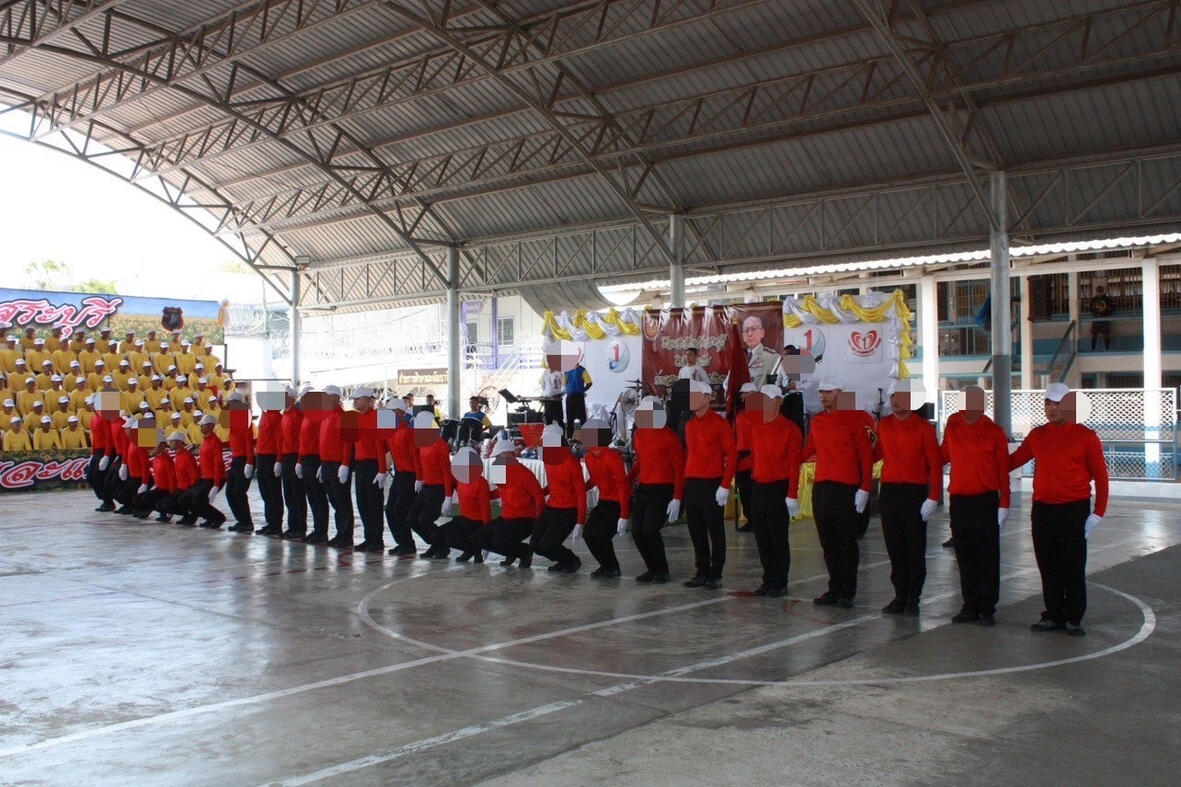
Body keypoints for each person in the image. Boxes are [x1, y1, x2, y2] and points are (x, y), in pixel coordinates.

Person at [1009, 383, 1109, 637]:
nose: (1052, 409)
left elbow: (1101, 477)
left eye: (1058, 404)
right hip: (1043, 510)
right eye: (1048, 404)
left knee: (1072, 566)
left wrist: (1098, 512)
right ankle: (1052, 614)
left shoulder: (1086, 437)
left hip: (1074, 511)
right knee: (1048, 565)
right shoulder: (1038, 435)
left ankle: (1073, 617)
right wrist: (980, 458)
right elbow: (1013, 461)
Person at [940, 386, 1010, 627]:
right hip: (959, 502)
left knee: (987, 557)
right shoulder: (953, 426)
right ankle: (969, 605)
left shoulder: (994, 432)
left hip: (985, 502)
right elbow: (942, 456)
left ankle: (987, 607)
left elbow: (1003, 470)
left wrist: (1005, 503)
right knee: (965, 556)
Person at [874, 379, 942, 615]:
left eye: (900, 397)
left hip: (914, 495)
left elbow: (935, 464)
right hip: (890, 493)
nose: (895, 401)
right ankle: (899, 595)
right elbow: (875, 454)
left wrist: (932, 498)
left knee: (914, 548)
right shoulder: (883, 425)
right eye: (892, 397)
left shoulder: (923, 428)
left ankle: (914, 597)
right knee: (895, 548)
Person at [803, 378, 873, 608]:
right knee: (828, 543)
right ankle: (834, 588)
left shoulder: (854, 420)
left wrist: (864, 488)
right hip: (822, 487)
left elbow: (866, 455)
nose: (823, 396)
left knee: (846, 543)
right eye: (821, 392)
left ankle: (848, 591)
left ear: (840, 394)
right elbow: (808, 450)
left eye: (828, 392)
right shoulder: (818, 422)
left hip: (846, 488)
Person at [747, 385, 803, 598]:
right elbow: (755, 458)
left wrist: (791, 493)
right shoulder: (756, 427)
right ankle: (768, 579)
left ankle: (780, 581)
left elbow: (792, 464)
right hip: (759, 488)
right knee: (762, 538)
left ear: (778, 401)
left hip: (778, 489)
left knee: (778, 538)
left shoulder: (790, 430)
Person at [681, 379, 737, 589]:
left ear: (707, 398)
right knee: (696, 529)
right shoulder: (689, 425)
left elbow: (731, 455)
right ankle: (701, 569)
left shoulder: (719, 423)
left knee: (715, 529)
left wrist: (724, 484)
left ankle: (716, 572)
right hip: (692, 482)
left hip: (711, 483)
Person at [628, 397, 685, 583]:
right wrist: (628, 479)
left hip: (663, 489)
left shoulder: (669, 436)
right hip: (644, 488)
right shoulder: (638, 435)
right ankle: (652, 568)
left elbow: (679, 469)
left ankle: (662, 570)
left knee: (650, 530)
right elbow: (642, 461)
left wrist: (677, 497)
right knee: (636, 530)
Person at [470, 439, 544, 567]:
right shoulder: (499, 470)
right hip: (505, 518)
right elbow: (501, 490)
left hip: (524, 519)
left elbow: (539, 497)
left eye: (498, 456)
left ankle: (524, 552)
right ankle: (512, 551)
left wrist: (539, 523)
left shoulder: (525, 473)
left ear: (508, 454)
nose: (496, 459)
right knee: (477, 537)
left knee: (499, 540)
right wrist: (484, 495)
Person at [579, 418, 632, 579]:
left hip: (616, 503)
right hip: (603, 501)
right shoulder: (588, 458)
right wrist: (581, 489)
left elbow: (623, 486)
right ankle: (606, 565)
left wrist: (624, 515)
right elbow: (596, 479)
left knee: (601, 534)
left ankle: (613, 566)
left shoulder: (612, 457)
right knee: (588, 534)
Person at [531, 423, 587, 573]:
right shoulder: (548, 459)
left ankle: (571, 560)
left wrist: (580, 521)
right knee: (535, 545)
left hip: (567, 511)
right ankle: (563, 560)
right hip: (551, 508)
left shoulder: (571, 462)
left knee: (547, 545)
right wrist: (539, 493)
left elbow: (581, 492)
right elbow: (553, 484)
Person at [426, 447, 490, 560]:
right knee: (436, 534)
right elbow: (448, 479)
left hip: (476, 522)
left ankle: (474, 550)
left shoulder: (481, 483)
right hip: (463, 519)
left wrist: (486, 533)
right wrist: (447, 499)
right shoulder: (459, 478)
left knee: (451, 538)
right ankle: (451, 549)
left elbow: (486, 509)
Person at [347, 387, 388, 553]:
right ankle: (368, 537)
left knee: (374, 504)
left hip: (372, 464)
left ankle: (377, 539)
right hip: (360, 465)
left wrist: (382, 470)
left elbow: (381, 446)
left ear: (366, 399)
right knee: (362, 503)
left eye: (358, 399)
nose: (355, 402)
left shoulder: (377, 417)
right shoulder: (355, 418)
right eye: (354, 399)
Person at [406, 411, 454, 550]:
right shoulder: (422, 443)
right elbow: (419, 463)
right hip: (426, 487)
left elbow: (446, 473)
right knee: (411, 519)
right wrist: (419, 479)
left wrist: (448, 497)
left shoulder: (440, 445)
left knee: (424, 520)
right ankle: (435, 543)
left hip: (438, 489)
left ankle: (441, 545)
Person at [383, 399, 420, 557]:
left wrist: (420, 477)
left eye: (391, 412)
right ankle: (402, 542)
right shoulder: (390, 432)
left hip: (410, 475)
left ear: (399, 412)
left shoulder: (408, 430)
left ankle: (408, 544)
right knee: (390, 510)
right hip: (399, 474)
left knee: (399, 510)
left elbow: (415, 455)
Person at [318, 385, 354, 548]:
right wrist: (322, 463)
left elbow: (348, 443)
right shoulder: (326, 416)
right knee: (334, 500)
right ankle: (340, 533)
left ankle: (346, 536)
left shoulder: (345, 417)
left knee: (342, 501)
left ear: (336, 397)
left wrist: (345, 464)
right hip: (327, 463)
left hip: (338, 464)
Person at [297, 388, 331, 543]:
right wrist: (299, 460)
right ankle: (317, 529)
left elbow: (322, 441)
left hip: (315, 459)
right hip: (306, 459)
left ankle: (321, 531)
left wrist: (322, 462)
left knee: (318, 497)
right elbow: (302, 441)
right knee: (312, 496)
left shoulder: (317, 418)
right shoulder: (306, 417)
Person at [224, 391, 256, 534]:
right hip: (237, 459)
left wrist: (249, 462)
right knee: (230, 492)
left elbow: (248, 442)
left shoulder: (243, 418)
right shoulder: (234, 419)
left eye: (230, 404)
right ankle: (242, 521)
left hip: (244, 459)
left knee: (238, 492)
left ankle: (246, 522)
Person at [253, 391, 285, 536]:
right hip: (262, 456)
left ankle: (276, 523)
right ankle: (270, 521)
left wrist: (278, 460)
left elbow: (279, 439)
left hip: (271, 457)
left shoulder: (276, 417)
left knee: (273, 492)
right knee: (265, 491)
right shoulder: (265, 416)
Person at [279, 387, 308, 539]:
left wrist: (299, 461)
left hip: (294, 456)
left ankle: (300, 527)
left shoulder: (297, 415)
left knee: (297, 494)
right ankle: (292, 526)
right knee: (289, 494)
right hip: (286, 457)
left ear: (291, 398)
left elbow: (300, 440)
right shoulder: (285, 415)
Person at [732, 382, 759, 532]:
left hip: (755, 459)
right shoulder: (740, 415)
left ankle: (757, 521)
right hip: (741, 459)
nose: (744, 396)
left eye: (747, 393)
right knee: (745, 493)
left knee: (755, 493)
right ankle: (750, 519)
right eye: (743, 394)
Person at [193, 413, 228, 529]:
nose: (201, 427)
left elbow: (218, 463)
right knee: (197, 500)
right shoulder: (205, 441)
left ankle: (218, 518)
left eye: (203, 425)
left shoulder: (214, 441)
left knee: (199, 500)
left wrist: (216, 484)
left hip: (213, 478)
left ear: (210, 426)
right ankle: (210, 518)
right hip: (205, 477)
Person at [132, 441, 176, 519]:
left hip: (166, 490)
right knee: (138, 498)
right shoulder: (156, 458)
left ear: (162, 446)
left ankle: (164, 511)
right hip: (159, 488)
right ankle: (151, 508)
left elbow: (172, 477)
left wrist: (171, 494)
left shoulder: (167, 460)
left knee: (148, 498)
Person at [739, 315, 777, 386]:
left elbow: (777, 384)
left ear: (762, 333)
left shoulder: (772, 357)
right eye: (746, 330)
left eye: (753, 329)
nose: (750, 334)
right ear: (743, 336)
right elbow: (728, 384)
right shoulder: (738, 358)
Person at [563, 361, 593, 438]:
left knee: (582, 420)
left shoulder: (582, 370)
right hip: (569, 398)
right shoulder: (566, 370)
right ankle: (569, 438)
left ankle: (586, 438)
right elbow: (564, 383)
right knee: (569, 420)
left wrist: (582, 390)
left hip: (579, 398)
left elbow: (589, 383)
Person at [1089, 285, 1114, 350]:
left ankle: (1107, 348)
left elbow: (1112, 308)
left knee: (1106, 335)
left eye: (1100, 290)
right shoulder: (1094, 299)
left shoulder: (1107, 299)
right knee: (1094, 335)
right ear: (1096, 291)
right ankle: (1093, 349)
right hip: (1096, 319)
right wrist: (1096, 314)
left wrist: (1105, 314)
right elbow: (1090, 309)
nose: (1099, 291)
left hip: (1105, 319)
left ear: (1103, 290)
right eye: (1098, 290)